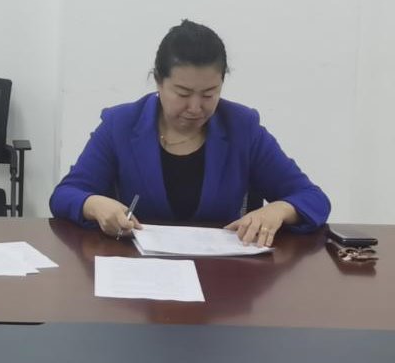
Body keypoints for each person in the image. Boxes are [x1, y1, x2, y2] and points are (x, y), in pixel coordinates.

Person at [49, 20, 330, 246]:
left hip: (223, 278)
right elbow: (65, 194)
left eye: (209, 94)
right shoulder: (120, 124)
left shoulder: (242, 127)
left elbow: (312, 198)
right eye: (183, 93)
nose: (195, 108)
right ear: (158, 81)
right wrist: (93, 204)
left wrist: (278, 210)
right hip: (138, 275)